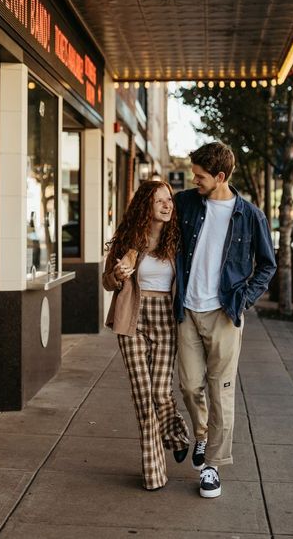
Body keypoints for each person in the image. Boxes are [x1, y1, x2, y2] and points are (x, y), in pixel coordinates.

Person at [174, 141, 276, 499]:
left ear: (220, 177)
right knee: (188, 385)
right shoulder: (185, 203)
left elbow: (267, 265)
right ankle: (201, 433)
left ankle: (213, 467)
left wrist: (242, 300)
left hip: (224, 314)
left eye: (200, 176)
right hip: (187, 310)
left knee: (221, 391)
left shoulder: (250, 215)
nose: (194, 180)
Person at [103, 179, 190, 491]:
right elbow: (107, 283)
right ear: (145, 207)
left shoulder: (177, 240)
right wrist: (116, 274)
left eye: (169, 200)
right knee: (143, 396)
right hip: (132, 319)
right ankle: (154, 472)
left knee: (160, 393)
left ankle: (176, 434)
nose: (167, 206)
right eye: (160, 201)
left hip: (166, 320)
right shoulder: (128, 240)